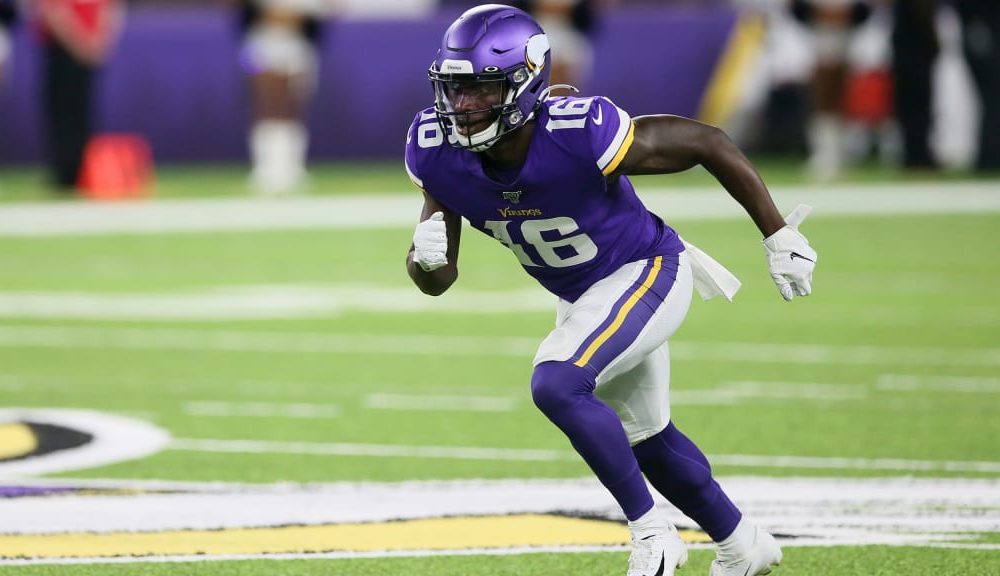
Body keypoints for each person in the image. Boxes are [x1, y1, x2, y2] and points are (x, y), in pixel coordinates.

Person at [404, 5, 817, 576]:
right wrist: (423, 259)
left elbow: (707, 141)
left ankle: (653, 534)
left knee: (557, 380)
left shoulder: (577, 133)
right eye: (455, 89)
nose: (463, 105)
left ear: (524, 82)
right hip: (584, 295)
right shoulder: (438, 151)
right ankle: (744, 544)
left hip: (647, 270)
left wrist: (777, 233)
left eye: (480, 88)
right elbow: (438, 279)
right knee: (649, 439)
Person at [238, 0, 329, 194]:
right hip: (261, 43)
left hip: (299, 44)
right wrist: (271, 15)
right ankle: (264, 168)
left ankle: (292, 167)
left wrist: (292, 17)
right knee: (266, 104)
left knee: (292, 106)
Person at [35, 0, 124, 191]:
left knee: (75, 112)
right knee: (68, 111)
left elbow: (108, 9)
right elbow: (54, 11)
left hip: (74, 49)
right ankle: (70, 171)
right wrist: (89, 43)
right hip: (68, 48)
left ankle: (73, 173)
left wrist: (94, 42)